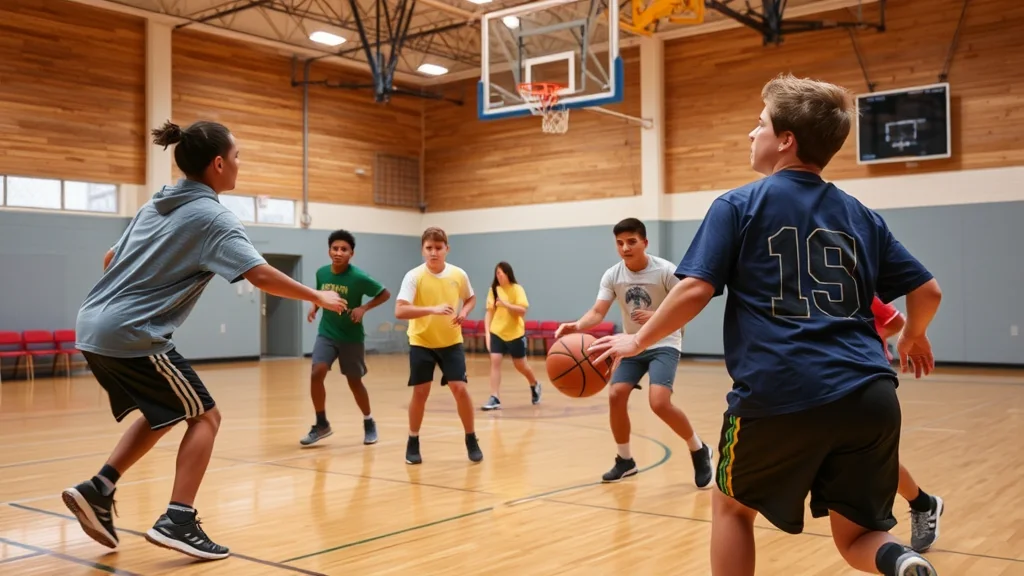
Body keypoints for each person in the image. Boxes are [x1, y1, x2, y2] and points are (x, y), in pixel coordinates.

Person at [589, 74, 942, 576]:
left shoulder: (739, 204)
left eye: (759, 125)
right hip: (871, 392)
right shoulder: (863, 216)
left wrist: (638, 338)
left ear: (785, 140)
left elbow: (694, 287)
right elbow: (928, 291)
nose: (751, 134)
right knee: (858, 534)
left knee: (732, 507)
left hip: (781, 388)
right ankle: (901, 560)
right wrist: (913, 334)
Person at [60, 120, 346, 560]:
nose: (238, 165)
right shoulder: (214, 217)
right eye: (236, 157)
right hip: (131, 333)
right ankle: (178, 517)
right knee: (206, 418)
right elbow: (260, 274)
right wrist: (316, 295)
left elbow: (110, 258)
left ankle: (98, 489)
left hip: (91, 326)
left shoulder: (156, 204)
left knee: (167, 411)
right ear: (217, 164)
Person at [555, 218, 713, 486]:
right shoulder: (613, 275)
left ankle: (699, 449)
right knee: (616, 395)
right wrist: (577, 325)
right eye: (619, 243)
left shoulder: (666, 271)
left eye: (631, 242)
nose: (625, 248)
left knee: (659, 403)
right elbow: (597, 312)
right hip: (631, 342)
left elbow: (686, 306)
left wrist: (656, 315)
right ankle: (625, 460)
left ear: (645, 243)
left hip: (664, 341)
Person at [395, 227, 482, 465]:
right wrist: (431, 309)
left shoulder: (458, 274)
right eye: (429, 248)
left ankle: (471, 437)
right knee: (421, 392)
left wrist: (464, 311)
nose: (433, 252)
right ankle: (413, 440)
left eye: (438, 248)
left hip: (451, 341)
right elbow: (400, 310)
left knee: (460, 389)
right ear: (422, 250)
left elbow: (471, 297)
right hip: (422, 341)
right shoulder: (414, 276)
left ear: (447, 249)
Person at [300, 229, 391, 447]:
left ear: (352, 253)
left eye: (344, 249)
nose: (338, 253)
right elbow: (320, 293)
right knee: (317, 372)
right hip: (327, 333)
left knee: (354, 381)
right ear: (329, 250)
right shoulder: (322, 273)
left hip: (351, 337)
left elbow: (384, 293)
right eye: (335, 248)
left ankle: (369, 421)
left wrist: (363, 308)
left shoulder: (358, 277)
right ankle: (321, 423)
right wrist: (314, 306)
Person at [871, 296, 944, 553]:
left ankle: (921, 503)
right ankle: (922, 503)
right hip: (818, 375)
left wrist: (864, 334)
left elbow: (897, 321)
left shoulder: (854, 281)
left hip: (865, 372)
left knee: (873, 454)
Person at [481, 261, 542, 410]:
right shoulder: (493, 290)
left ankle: (534, 384)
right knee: (495, 361)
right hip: (497, 332)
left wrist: (506, 304)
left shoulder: (517, 289)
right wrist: (487, 334)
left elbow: (522, 311)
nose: (499, 276)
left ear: (507, 274)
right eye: (497, 274)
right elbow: (489, 314)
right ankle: (494, 397)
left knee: (520, 365)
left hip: (515, 333)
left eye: (501, 273)